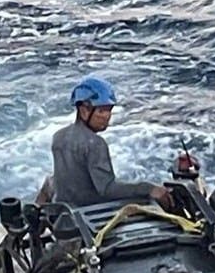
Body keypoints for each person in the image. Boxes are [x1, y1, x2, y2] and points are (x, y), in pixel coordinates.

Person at [44, 75, 173, 210]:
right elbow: (107, 189)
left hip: (65, 214)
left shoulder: (58, 137)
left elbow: (64, 182)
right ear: (84, 110)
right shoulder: (95, 143)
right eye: (101, 110)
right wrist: (149, 188)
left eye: (109, 110)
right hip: (91, 214)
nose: (107, 116)